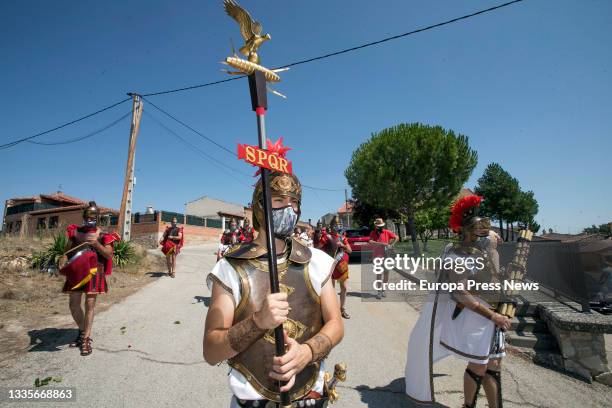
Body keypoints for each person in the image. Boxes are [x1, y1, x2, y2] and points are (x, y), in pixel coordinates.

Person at [204, 171, 344, 408]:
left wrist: (307, 353)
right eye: (279, 201)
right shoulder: (231, 268)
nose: (289, 209)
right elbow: (211, 350)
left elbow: (336, 324)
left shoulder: (317, 261)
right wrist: (257, 321)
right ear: (260, 207)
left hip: (310, 398)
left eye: (294, 202)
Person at [405, 195, 510, 408]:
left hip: (494, 314)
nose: (487, 234)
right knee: (479, 364)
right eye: (481, 230)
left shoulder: (487, 252)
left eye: (487, 230)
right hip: (477, 317)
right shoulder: (456, 256)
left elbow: (494, 277)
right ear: (468, 231)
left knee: (494, 365)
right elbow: (461, 294)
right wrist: (493, 315)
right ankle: (468, 406)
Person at [61, 201, 119, 356]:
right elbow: (67, 251)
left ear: (98, 217)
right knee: (73, 305)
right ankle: (81, 330)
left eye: (94, 215)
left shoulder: (104, 235)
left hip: (94, 271)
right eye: (88, 214)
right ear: (84, 216)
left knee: (90, 304)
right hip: (77, 272)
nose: (90, 218)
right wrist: (72, 248)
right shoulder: (75, 232)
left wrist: (96, 244)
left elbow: (109, 255)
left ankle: (86, 338)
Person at [318, 218, 352, 319]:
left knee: (344, 288)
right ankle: (332, 309)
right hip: (330, 265)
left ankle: (342, 309)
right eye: (335, 224)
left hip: (342, 266)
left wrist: (343, 245)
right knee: (331, 289)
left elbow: (350, 250)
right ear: (331, 225)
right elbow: (318, 249)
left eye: (339, 224)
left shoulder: (342, 237)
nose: (337, 226)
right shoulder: (326, 237)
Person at [368, 218, 398, 299]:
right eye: (378, 226)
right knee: (378, 274)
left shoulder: (386, 232)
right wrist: (381, 244)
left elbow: (396, 237)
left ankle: (383, 289)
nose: (380, 227)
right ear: (376, 226)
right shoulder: (373, 233)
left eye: (381, 226)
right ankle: (379, 291)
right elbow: (370, 241)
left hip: (386, 256)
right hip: (377, 256)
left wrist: (391, 245)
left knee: (386, 273)